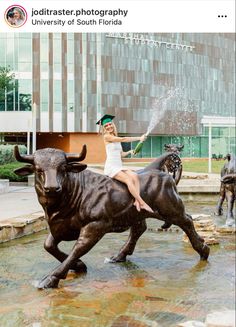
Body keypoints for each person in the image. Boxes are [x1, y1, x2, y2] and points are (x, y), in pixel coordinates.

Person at [97, 114, 154, 213]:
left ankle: (136, 200)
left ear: (112, 124)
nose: (109, 127)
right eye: (106, 126)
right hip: (111, 167)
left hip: (119, 166)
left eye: (110, 124)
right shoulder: (107, 137)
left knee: (135, 175)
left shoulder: (115, 137)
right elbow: (124, 139)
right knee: (128, 180)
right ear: (104, 128)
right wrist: (139, 138)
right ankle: (142, 203)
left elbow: (121, 154)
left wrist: (129, 152)